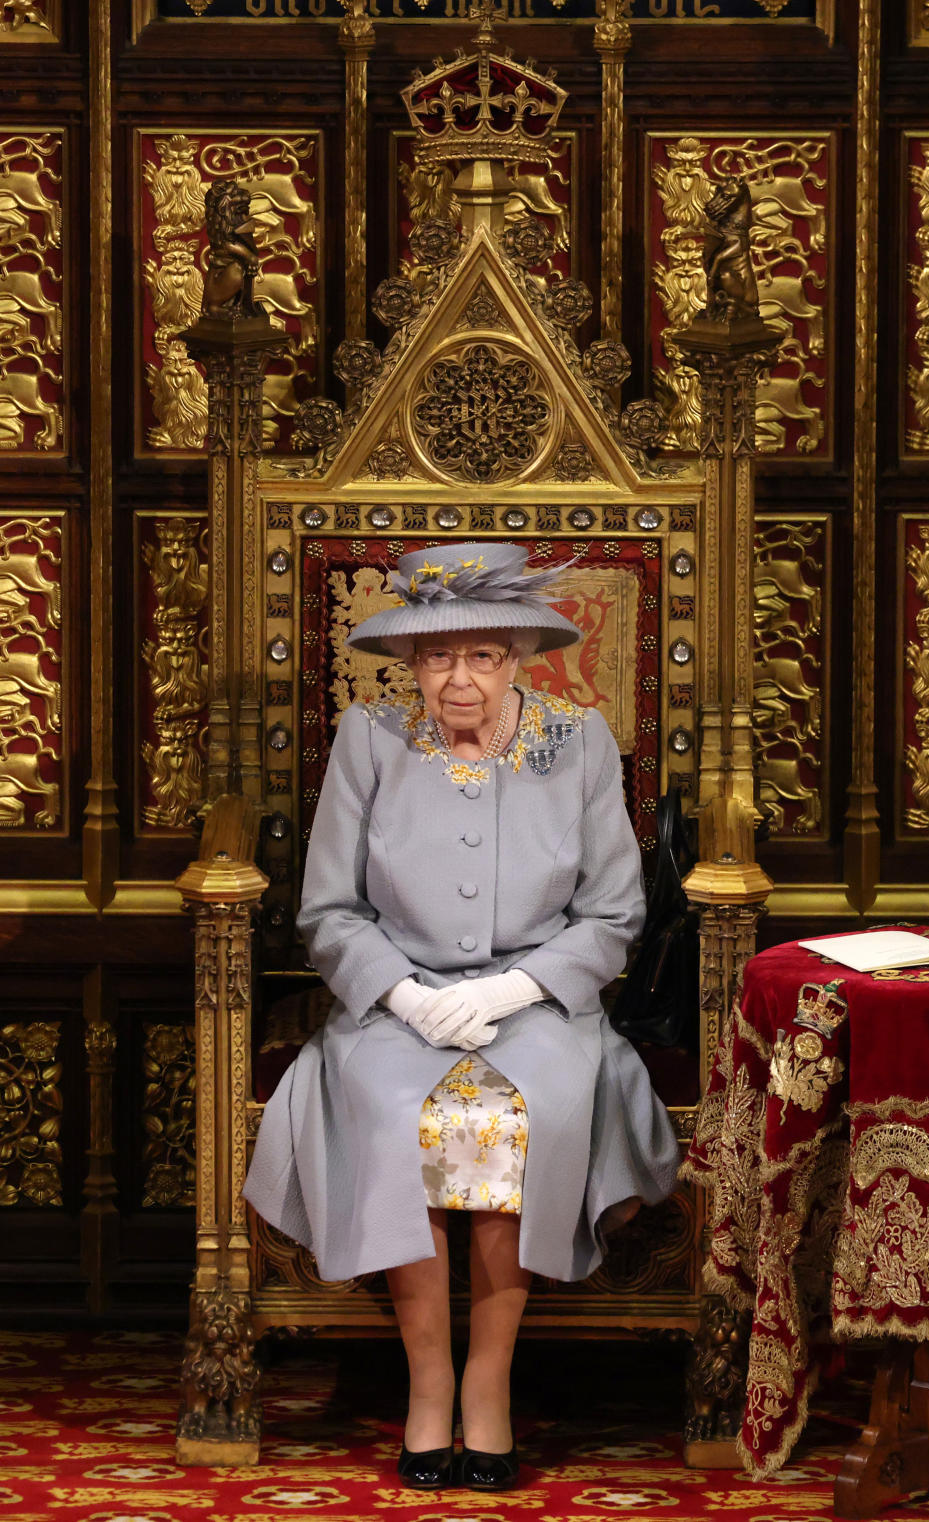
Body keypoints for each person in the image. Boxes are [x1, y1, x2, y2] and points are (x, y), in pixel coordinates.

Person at [243, 541, 680, 1491]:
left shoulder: (580, 743)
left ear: (518, 659)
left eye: (483, 656)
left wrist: (510, 992)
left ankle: (488, 1381)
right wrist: (403, 995)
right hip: (390, 1007)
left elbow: (615, 915)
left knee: (518, 1123)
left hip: (541, 1007)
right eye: (439, 657)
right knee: (404, 1120)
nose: (460, 679)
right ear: (410, 663)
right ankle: (429, 1381)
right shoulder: (371, 740)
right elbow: (327, 910)